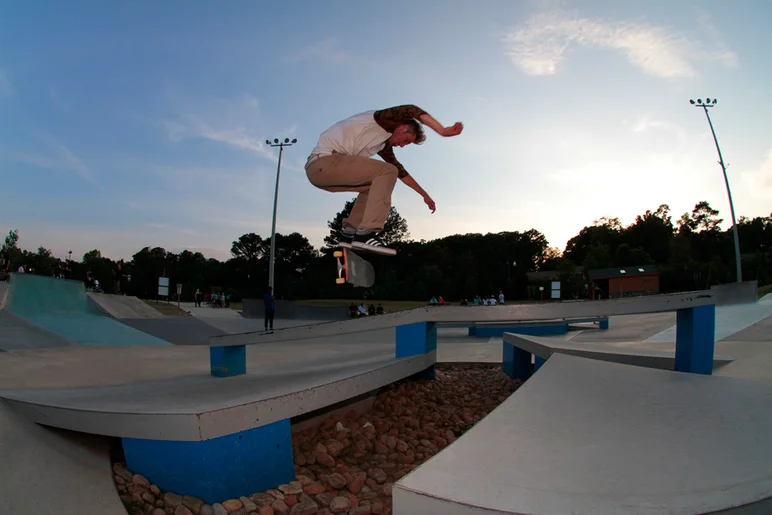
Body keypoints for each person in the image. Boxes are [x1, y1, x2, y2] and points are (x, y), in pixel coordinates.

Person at [305, 104, 463, 255]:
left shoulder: (382, 145)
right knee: (387, 172)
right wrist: (442, 131)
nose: (402, 145)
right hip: (324, 163)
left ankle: (349, 233)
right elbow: (412, 110)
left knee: (377, 183)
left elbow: (402, 173)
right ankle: (366, 233)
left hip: (323, 173)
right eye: (406, 140)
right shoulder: (382, 120)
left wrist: (425, 196)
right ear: (401, 127)